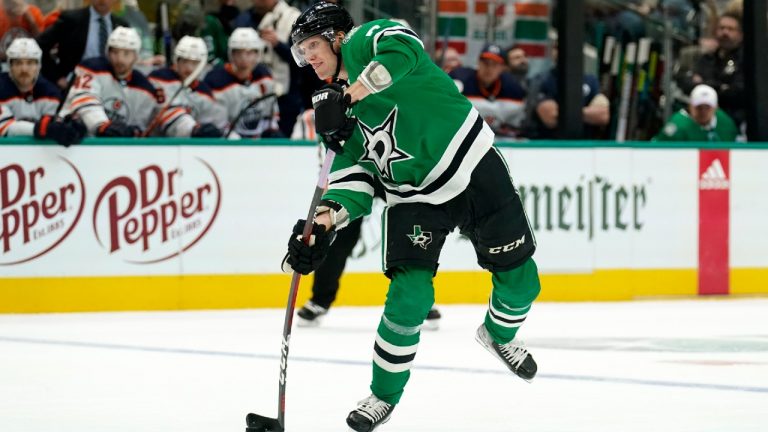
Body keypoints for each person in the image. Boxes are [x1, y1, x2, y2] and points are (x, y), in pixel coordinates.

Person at [283, 3, 541, 431]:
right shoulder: (331, 113)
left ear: (337, 37)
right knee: (410, 298)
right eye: (301, 52)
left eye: (312, 45)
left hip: (471, 164)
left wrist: (351, 95)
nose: (308, 57)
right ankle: (382, 395)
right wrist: (324, 222)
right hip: (411, 196)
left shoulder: (369, 39)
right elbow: (353, 179)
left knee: (522, 281)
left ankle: (499, 333)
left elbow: (404, 54)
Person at [58, 27, 212, 138]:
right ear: (108, 52)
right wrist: (101, 125)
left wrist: (192, 129)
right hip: (76, 144)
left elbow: (165, 115)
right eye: (115, 52)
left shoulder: (146, 87)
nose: (120, 59)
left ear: (136, 56)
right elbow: (84, 99)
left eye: (126, 53)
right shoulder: (92, 68)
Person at [0, 37, 85, 146]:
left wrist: (71, 124)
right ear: (10, 66)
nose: (24, 69)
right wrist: (41, 128)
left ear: (38, 66)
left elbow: (56, 124)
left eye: (30, 63)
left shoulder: (51, 93)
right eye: (18, 63)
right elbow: (3, 127)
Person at [204, 27, 281, 138]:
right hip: (228, 142)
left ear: (258, 53)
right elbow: (217, 123)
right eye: (238, 52)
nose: (244, 58)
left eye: (250, 52)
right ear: (231, 53)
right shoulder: (215, 80)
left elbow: (271, 117)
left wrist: (267, 134)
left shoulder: (264, 75)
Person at [36, 0, 128, 89]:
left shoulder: (122, 26)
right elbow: (40, 46)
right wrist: (57, 77)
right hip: (74, 85)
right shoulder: (71, 19)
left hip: (110, 86)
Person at [149, 36, 226, 137]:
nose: (189, 68)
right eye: (185, 61)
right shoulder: (160, 79)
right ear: (176, 60)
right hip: (155, 145)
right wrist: (193, 129)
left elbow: (217, 124)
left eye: (195, 63)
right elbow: (165, 116)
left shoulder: (205, 92)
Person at [450, 43, 527, 138]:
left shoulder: (513, 87)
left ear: (503, 67)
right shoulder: (461, 79)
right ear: (478, 62)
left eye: (494, 64)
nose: (489, 68)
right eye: (485, 63)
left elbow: (517, 125)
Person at [688, 12, 744, 126]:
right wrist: (722, 87)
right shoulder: (708, 58)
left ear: (740, 34)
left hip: (735, 117)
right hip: (702, 117)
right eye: (722, 28)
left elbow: (738, 92)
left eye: (730, 29)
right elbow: (690, 85)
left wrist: (706, 85)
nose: (725, 32)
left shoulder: (747, 60)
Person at [653, 84, 738, 141]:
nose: (703, 112)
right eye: (699, 107)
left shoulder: (726, 124)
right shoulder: (677, 125)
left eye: (707, 107)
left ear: (716, 108)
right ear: (690, 106)